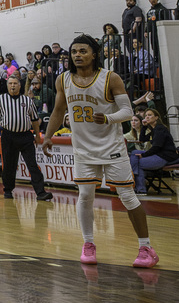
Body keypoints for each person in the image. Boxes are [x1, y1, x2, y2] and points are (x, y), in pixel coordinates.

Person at [40, 35, 158, 267]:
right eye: (74, 52)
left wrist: (107, 117)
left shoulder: (109, 78)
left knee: (127, 196)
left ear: (94, 54)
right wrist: (47, 136)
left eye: (83, 51)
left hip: (112, 148)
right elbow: (57, 110)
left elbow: (127, 111)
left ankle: (146, 247)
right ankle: (88, 243)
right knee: (85, 196)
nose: (77, 55)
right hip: (83, 149)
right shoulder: (63, 79)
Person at [0, 76, 48, 201]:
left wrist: (37, 135)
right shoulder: (1, 99)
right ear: (7, 86)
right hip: (8, 135)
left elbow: (34, 119)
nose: (12, 86)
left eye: (15, 83)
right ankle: (8, 190)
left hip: (25, 135)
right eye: (10, 83)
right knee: (9, 165)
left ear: (19, 85)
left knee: (32, 164)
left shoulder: (27, 100)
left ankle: (40, 192)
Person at [129, 110, 177, 196]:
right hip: (158, 154)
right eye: (146, 115)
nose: (146, 117)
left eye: (150, 115)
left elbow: (156, 147)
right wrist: (144, 127)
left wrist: (143, 155)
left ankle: (140, 189)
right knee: (134, 152)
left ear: (156, 117)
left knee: (137, 163)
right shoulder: (154, 129)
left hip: (164, 157)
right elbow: (142, 139)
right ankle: (134, 174)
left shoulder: (160, 129)